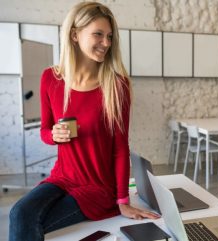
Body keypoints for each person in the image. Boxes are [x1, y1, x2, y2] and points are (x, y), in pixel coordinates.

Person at [9, 2, 159, 241]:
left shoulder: (117, 85)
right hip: (62, 178)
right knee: (19, 212)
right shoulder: (51, 78)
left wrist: (122, 200)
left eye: (109, 36)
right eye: (98, 34)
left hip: (97, 188)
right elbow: (45, 131)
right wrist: (53, 135)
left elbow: (120, 149)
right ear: (75, 34)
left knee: (30, 222)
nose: (106, 43)